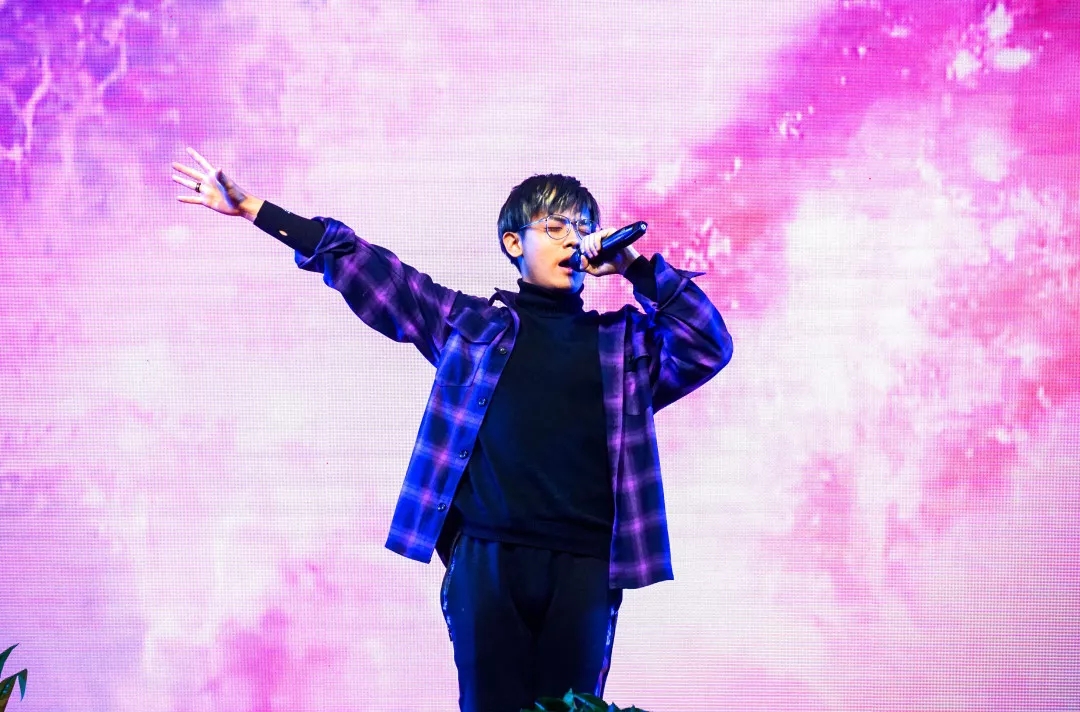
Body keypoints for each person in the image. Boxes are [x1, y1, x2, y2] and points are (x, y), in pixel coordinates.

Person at [171, 147, 733, 712]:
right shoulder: (470, 326)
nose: (574, 240)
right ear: (514, 242)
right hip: (488, 558)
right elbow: (368, 267)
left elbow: (708, 344)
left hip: (585, 564)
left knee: (572, 708)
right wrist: (253, 208)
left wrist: (636, 269)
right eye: (556, 227)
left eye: (585, 229)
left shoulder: (624, 345)